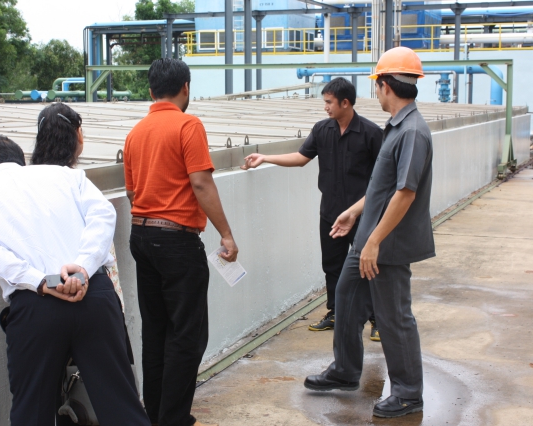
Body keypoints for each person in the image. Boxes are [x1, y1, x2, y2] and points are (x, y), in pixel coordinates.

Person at [0, 134, 150, 426]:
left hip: (35, 306)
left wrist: (40, 281)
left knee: (32, 411)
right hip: (93, 293)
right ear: (20, 160)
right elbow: (103, 215)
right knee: (121, 405)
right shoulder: (67, 176)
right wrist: (82, 267)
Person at [303, 46, 435, 419]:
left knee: (393, 316)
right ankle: (345, 371)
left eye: (377, 84)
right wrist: (353, 212)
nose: (376, 91)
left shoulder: (412, 132)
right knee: (345, 295)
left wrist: (375, 240)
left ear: (385, 85)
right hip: (367, 239)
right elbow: (382, 186)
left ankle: (408, 393)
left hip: (386, 245)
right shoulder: (395, 127)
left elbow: (405, 193)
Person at [124, 58, 238, 426]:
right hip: (176, 241)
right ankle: (172, 420)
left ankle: (156, 415)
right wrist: (226, 233)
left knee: (155, 331)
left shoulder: (135, 133)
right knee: (187, 335)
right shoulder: (188, 125)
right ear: (185, 88)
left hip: (141, 235)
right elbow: (201, 182)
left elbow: (131, 192)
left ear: (150, 91)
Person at [242, 77, 383, 340]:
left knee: (368, 266)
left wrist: (362, 211)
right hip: (330, 212)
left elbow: (383, 178)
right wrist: (265, 157)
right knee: (332, 265)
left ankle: (378, 318)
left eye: (329, 102)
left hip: (362, 215)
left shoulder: (371, 133)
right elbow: (301, 158)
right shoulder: (321, 130)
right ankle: (336, 312)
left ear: (345, 103)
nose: (325, 107)